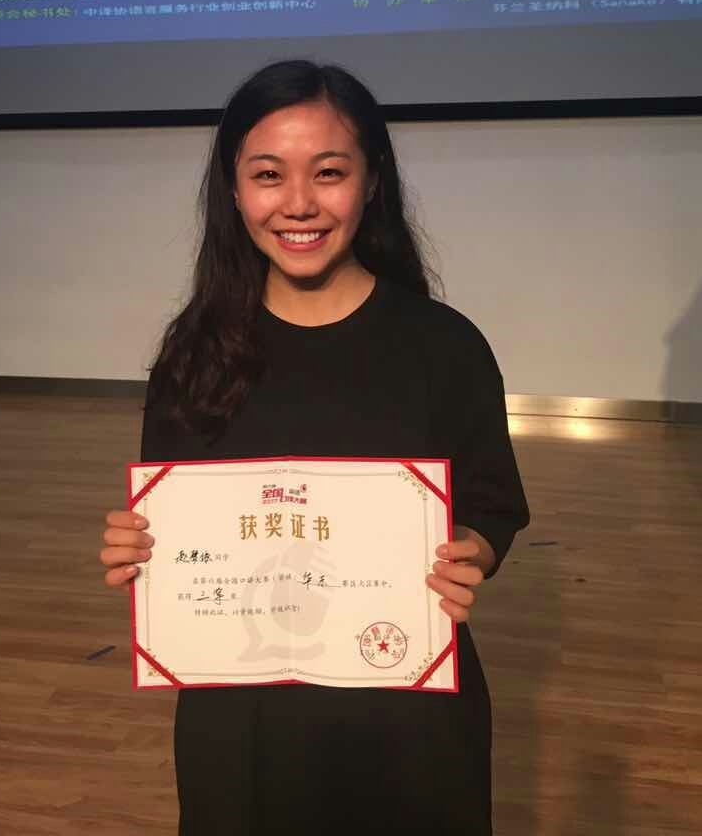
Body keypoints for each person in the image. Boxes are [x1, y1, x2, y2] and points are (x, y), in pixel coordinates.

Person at [100, 59, 529, 835]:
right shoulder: (194, 355)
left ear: (372, 181)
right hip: (242, 721)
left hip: (407, 711)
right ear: (234, 190)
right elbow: (174, 514)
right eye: (268, 175)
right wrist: (141, 549)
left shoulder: (445, 347)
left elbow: (493, 505)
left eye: (329, 172)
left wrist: (472, 549)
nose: (299, 203)